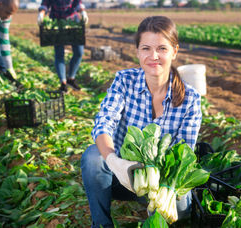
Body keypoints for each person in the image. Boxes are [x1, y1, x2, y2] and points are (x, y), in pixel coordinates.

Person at [81, 16, 202, 227]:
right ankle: (101, 224)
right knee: (93, 157)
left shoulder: (190, 99)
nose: (153, 56)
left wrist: (158, 187)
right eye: (146, 48)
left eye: (162, 49)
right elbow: (104, 123)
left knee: (181, 213)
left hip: (164, 182)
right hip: (124, 176)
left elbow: (183, 153)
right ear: (137, 51)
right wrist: (114, 162)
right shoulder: (124, 81)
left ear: (175, 51)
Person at [37, 0, 89, 92]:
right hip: (56, 22)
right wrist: (41, 13)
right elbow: (45, 3)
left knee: (79, 52)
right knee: (59, 53)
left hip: (73, 20)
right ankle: (63, 83)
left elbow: (78, 2)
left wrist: (83, 11)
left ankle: (71, 79)